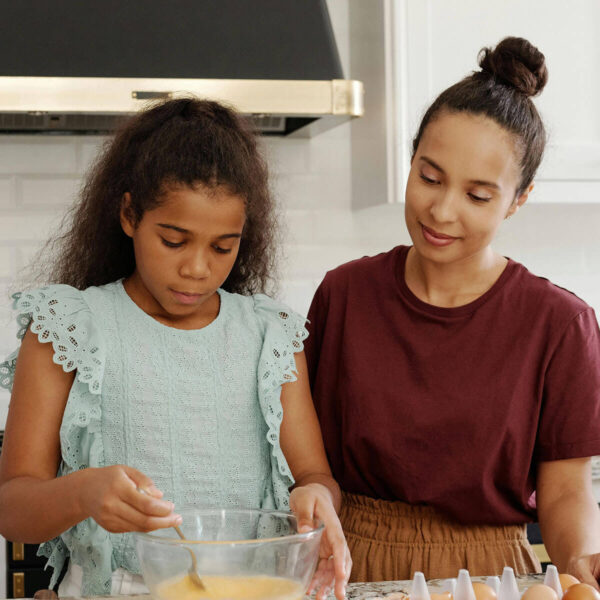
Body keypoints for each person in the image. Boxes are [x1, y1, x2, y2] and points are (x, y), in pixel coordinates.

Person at [0, 98, 351, 599]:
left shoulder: (268, 335)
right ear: (129, 215)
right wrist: (82, 492)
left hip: (249, 589)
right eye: (173, 240)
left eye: (222, 247)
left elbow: (313, 475)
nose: (197, 269)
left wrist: (317, 494)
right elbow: (12, 506)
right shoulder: (70, 328)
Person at [304, 37, 600, 584]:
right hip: (349, 568)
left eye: (478, 196)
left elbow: (565, 491)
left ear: (519, 198)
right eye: (430, 177)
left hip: (491, 579)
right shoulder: (343, 296)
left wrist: (581, 562)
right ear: (411, 158)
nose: (441, 211)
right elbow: (306, 461)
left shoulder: (561, 324)